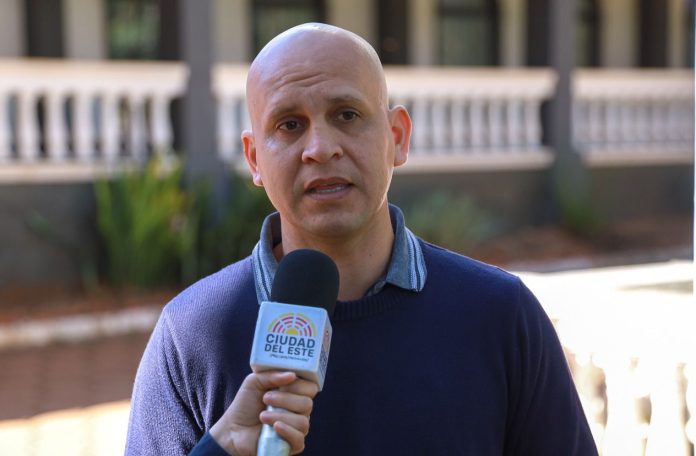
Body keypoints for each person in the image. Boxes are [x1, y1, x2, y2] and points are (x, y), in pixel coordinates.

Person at [126, 23, 598, 456]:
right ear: (254, 159)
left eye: (347, 114)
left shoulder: (500, 316)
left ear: (397, 137)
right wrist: (221, 449)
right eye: (289, 125)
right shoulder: (191, 334)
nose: (320, 148)